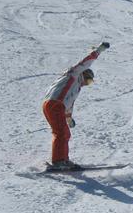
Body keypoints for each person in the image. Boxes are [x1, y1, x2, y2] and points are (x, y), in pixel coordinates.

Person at [42, 43, 109, 171]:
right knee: (61, 132)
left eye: (89, 83)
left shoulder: (76, 88)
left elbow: (69, 106)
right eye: (88, 80)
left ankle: (63, 159)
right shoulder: (73, 74)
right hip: (54, 104)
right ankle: (58, 161)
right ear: (83, 75)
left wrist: (69, 120)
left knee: (65, 132)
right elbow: (85, 63)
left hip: (55, 106)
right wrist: (98, 51)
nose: (86, 84)